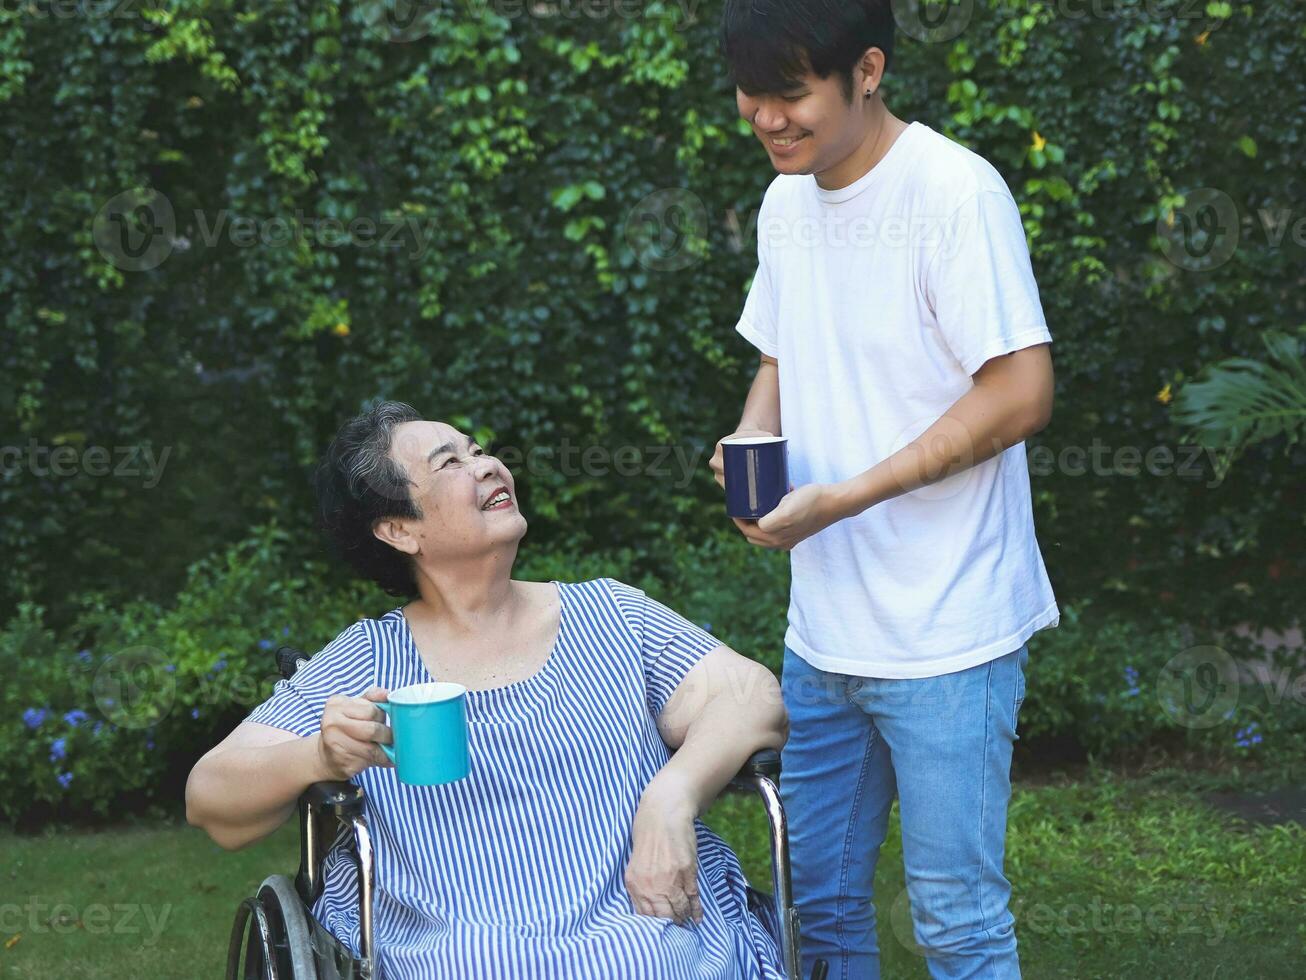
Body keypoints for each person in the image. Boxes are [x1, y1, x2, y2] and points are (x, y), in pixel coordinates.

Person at [187, 401, 789, 979]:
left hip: (639, 919)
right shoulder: (368, 659)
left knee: (644, 962)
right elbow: (211, 799)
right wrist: (316, 756)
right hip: (455, 941)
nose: (488, 465)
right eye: (449, 463)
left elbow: (751, 695)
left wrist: (672, 798)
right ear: (400, 529)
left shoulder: (611, 616)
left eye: (477, 451)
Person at [709, 2, 1060, 978]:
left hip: (949, 629)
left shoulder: (952, 193)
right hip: (824, 630)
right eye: (751, 95)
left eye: (790, 95)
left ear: (866, 70)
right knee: (813, 909)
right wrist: (753, 430)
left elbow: (1021, 388)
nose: (767, 119)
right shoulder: (788, 199)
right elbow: (782, 348)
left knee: (953, 920)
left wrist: (850, 493)